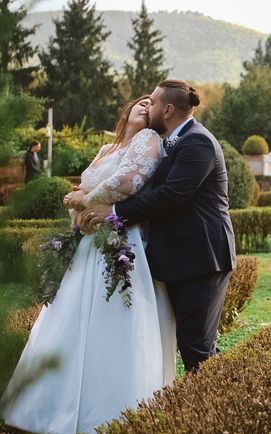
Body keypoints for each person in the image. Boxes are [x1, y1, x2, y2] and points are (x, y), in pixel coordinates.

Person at [0, 96, 176, 434]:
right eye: (140, 102)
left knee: (113, 318)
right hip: (87, 242)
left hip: (121, 237)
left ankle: (111, 413)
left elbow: (129, 183)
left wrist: (87, 197)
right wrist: (77, 214)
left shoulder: (149, 140)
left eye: (151, 104)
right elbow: (81, 191)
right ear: (125, 110)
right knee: (69, 320)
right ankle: (51, 410)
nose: (147, 106)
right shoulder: (106, 148)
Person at [80, 80, 236, 373]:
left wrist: (113, 211)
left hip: (202, 258)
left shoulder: (197, 141)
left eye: (150, 102)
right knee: (191, 343)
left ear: (166, 109)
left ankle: (214, 415)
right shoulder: (175, 140)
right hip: (182, 259)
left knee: (197, 347)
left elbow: (171, 196)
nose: (145, 107)